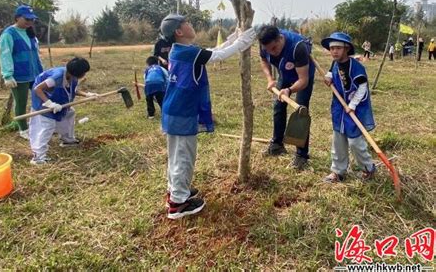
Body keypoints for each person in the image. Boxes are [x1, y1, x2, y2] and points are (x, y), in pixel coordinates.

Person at [160, 13, 255, 219]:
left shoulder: (180, 50)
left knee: (176, 155)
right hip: (183, 112)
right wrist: (245, 39)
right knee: (184, 157)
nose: (191, 25)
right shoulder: (188, 52)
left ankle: (175, 192)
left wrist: (235, 37)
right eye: (187, 23)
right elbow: (219, 56)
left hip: (173, 111)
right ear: (179, 31)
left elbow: (211, 51)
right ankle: (178, 204)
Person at [320, 32, 376, 183]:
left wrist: (352, 105)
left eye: (338, 48)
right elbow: (331, 72)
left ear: (346, 49)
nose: (334, 51)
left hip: (354, 108)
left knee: (355, 142)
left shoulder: (356, 67)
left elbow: (362, 87)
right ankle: (338, 171)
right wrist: (328, 77)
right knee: (338, 140)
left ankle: (368, 168)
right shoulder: (335, 63)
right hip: (339, 108)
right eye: (332, 49)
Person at [257, 25, 315, 170]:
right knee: (278, 106)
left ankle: (301, 156)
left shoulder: (298, 47)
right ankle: (277, 145)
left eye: (274, 48)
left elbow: (303, 80)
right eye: (268, 50)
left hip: (302, 76)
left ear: (280, 39)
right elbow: (264, 60)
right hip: (285, 72)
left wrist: (289, 90)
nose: (272, 53)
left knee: (301, 111)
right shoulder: (265, 44)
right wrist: (270, 79)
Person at [29, 57, 98, 165]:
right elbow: (38, 89)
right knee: (47, 126)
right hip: (42, 100)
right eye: (84, 72)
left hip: (57, 98)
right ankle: (38, 157)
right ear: (78, 73)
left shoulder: (71, 75)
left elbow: (73, 90)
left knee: (69, 113)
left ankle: (68, 140)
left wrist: (87, 95)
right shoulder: (56, 77)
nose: (85, 74)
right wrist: (49, 104)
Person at [0, 5, 44, 139]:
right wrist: (7, 75)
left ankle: (41, 124)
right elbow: (5, 54)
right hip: (20, 75)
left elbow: (36, 54)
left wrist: (41, 71)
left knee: (42, 99)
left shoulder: (31, 33)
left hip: (35, 73)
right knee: (21, 102)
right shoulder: (9, 34)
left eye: (32, 19)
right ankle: (23, 129)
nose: (30, 22)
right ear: (18, 18)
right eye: (27, 19)